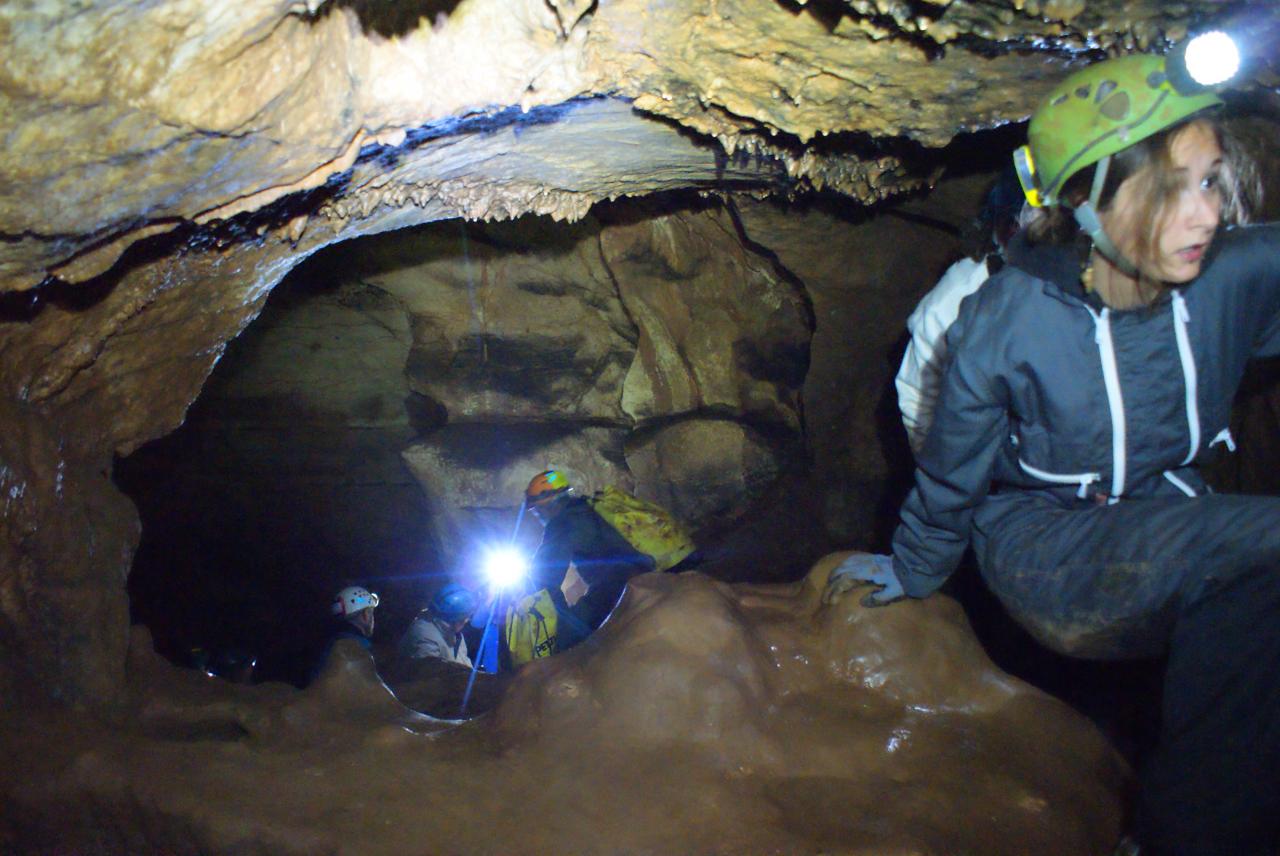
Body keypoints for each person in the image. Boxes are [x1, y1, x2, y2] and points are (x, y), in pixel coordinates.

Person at [826, 46, 1278, 856]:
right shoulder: (999, 315)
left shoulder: (1232, 275)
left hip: (1167, 511)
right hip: (1041, 539)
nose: (1205, 214)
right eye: (1170, 188)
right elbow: (948, 455)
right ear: (1083, 203)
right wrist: (918, 567)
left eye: (1211, 181)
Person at [895, 170, 1027, 453]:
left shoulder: (1082, 283)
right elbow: (918, 399)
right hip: (988, 460)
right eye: (1015, 227)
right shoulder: (955, 299)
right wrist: (945, 476)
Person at [525, 469, 656, 651]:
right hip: (646, 572)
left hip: (616, 586)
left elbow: (545, 575)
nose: (539, 516)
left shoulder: (562, 523)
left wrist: (555, 625)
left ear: (548, 504)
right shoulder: (589, 506)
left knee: (567, 638)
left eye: (537, 511)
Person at [309, 584, 379, 683]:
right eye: (371, 613)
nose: (373, 619)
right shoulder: (359, 646)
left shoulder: (330, 642)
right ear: (366, 615)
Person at [398, 583, 478, 668]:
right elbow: (428, 676)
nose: (467, 621)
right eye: (466, 618)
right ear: (457, 619)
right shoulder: (424, 637)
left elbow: (464, 663)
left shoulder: (454, 634)